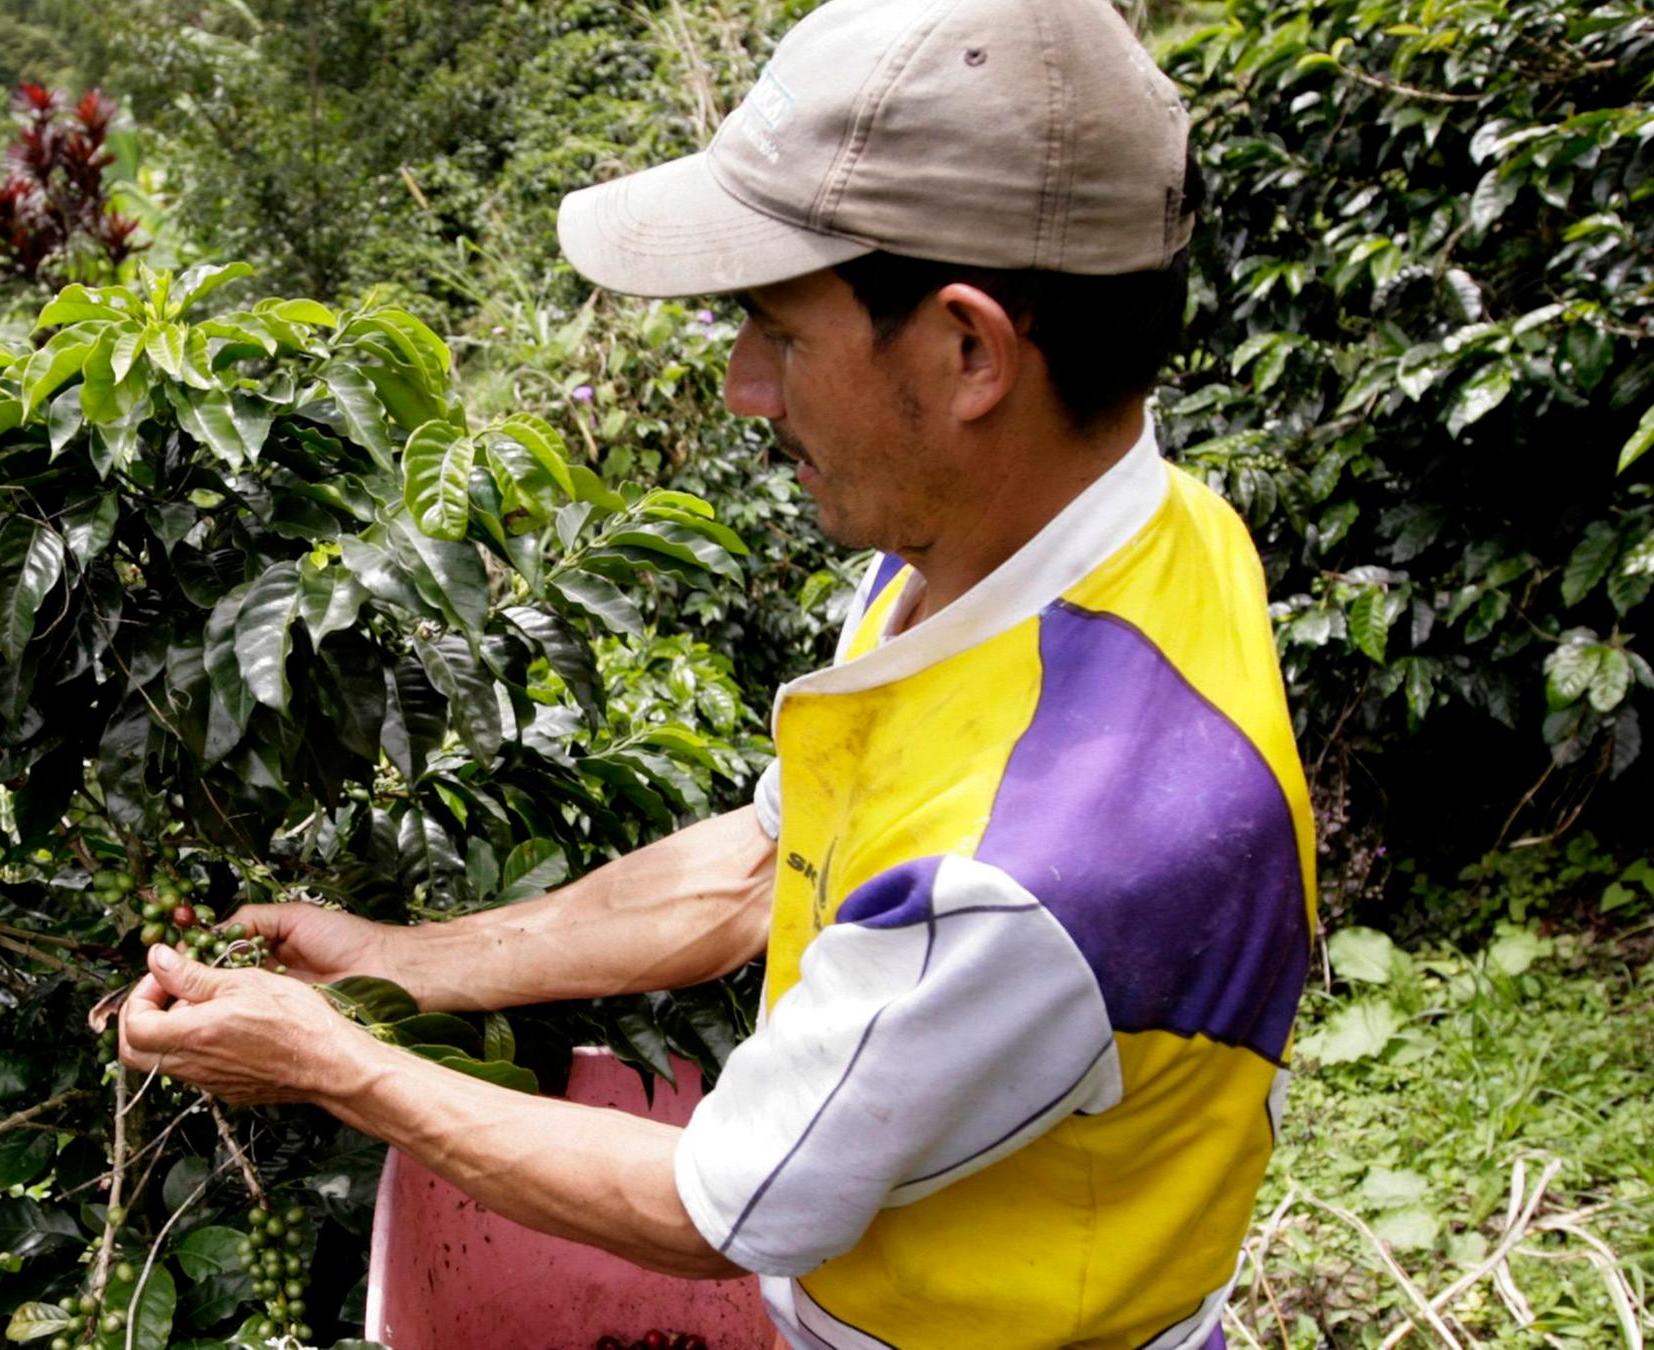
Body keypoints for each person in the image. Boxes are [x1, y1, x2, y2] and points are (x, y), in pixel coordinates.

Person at [117, 0, 1315, 1344]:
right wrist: (401, 963)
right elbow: (764, 864)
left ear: (971, 351)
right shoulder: (1091, 539)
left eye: (782, 335)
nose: (748, 387)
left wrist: (332, 1061)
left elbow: (717, 1202)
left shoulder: (1031, 874)